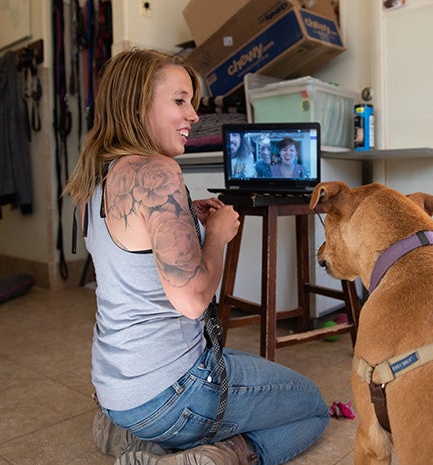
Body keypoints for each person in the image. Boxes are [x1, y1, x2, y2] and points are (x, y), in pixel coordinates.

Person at [63, 49, 329, 465]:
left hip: (115, 387)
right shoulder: (156, 171)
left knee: (247, 373)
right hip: (170, 392)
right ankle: (219, 456)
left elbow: (135, 262)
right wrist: (218, 236)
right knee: (312, 406)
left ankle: (131, 436)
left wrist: (188, 218)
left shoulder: (96, 177)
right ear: (136, 104)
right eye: (179, 100)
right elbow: (192, 301)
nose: (193, 115)